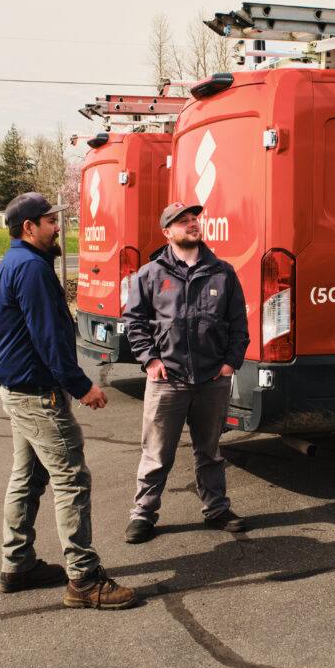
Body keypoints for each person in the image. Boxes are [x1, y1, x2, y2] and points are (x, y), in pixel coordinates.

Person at [0, 192, 136, 609]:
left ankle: (17, 564)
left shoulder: (16, 261)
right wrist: (81, 386)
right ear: (28, 228)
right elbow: (49, 338)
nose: (58, 227)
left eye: (57, 219)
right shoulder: (32, 269)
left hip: (18, 389)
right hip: (37, 395)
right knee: (71, 479)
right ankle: (85, 580)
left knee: (29, 477)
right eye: (50, 221)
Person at [123, 201, 250, 542]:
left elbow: (239, 324)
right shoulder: (150, 274)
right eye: (183, 221)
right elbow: (134, 322)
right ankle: (143, 514)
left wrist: (229, 363)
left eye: (194, 219)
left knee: (209, 450)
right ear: (167, 232)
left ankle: (217, 508)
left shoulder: (223, 272)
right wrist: (150, 359)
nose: (192, 224)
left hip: (212, 380)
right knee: (156, 453)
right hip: (168, 381)